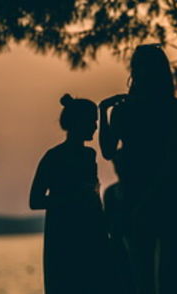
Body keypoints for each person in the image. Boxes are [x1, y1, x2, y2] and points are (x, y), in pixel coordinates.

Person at [99, 44, 177, 294]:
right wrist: (103, 112)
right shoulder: (170, 108)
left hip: (147, 198)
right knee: (160, 281)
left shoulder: (131, 109)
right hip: (164, 197)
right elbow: (109, 151)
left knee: (146, 280)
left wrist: (105, 113)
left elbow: (109, 151)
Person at [29, 94, 113, 293]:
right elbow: (35, 200)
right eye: (92, 121)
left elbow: (93, 194)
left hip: (92, 231)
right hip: (65, 235)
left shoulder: (89, 155)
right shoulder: (54, 157)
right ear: (78, 122)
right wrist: (71, 200)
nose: (95, 126)